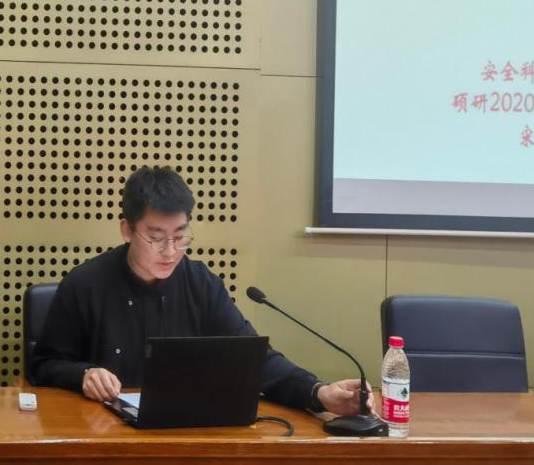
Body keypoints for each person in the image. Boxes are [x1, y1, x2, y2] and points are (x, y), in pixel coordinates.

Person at [31, 165, 371, 416]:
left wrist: (318, 392)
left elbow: (253, 359)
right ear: (126, 230)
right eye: (156, 238)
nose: (170, 251)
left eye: (180, 237)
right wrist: (83, 374)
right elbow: (43, 365)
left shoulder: (201, 284)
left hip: (186, 431)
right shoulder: (85, 284)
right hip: (102, 435)